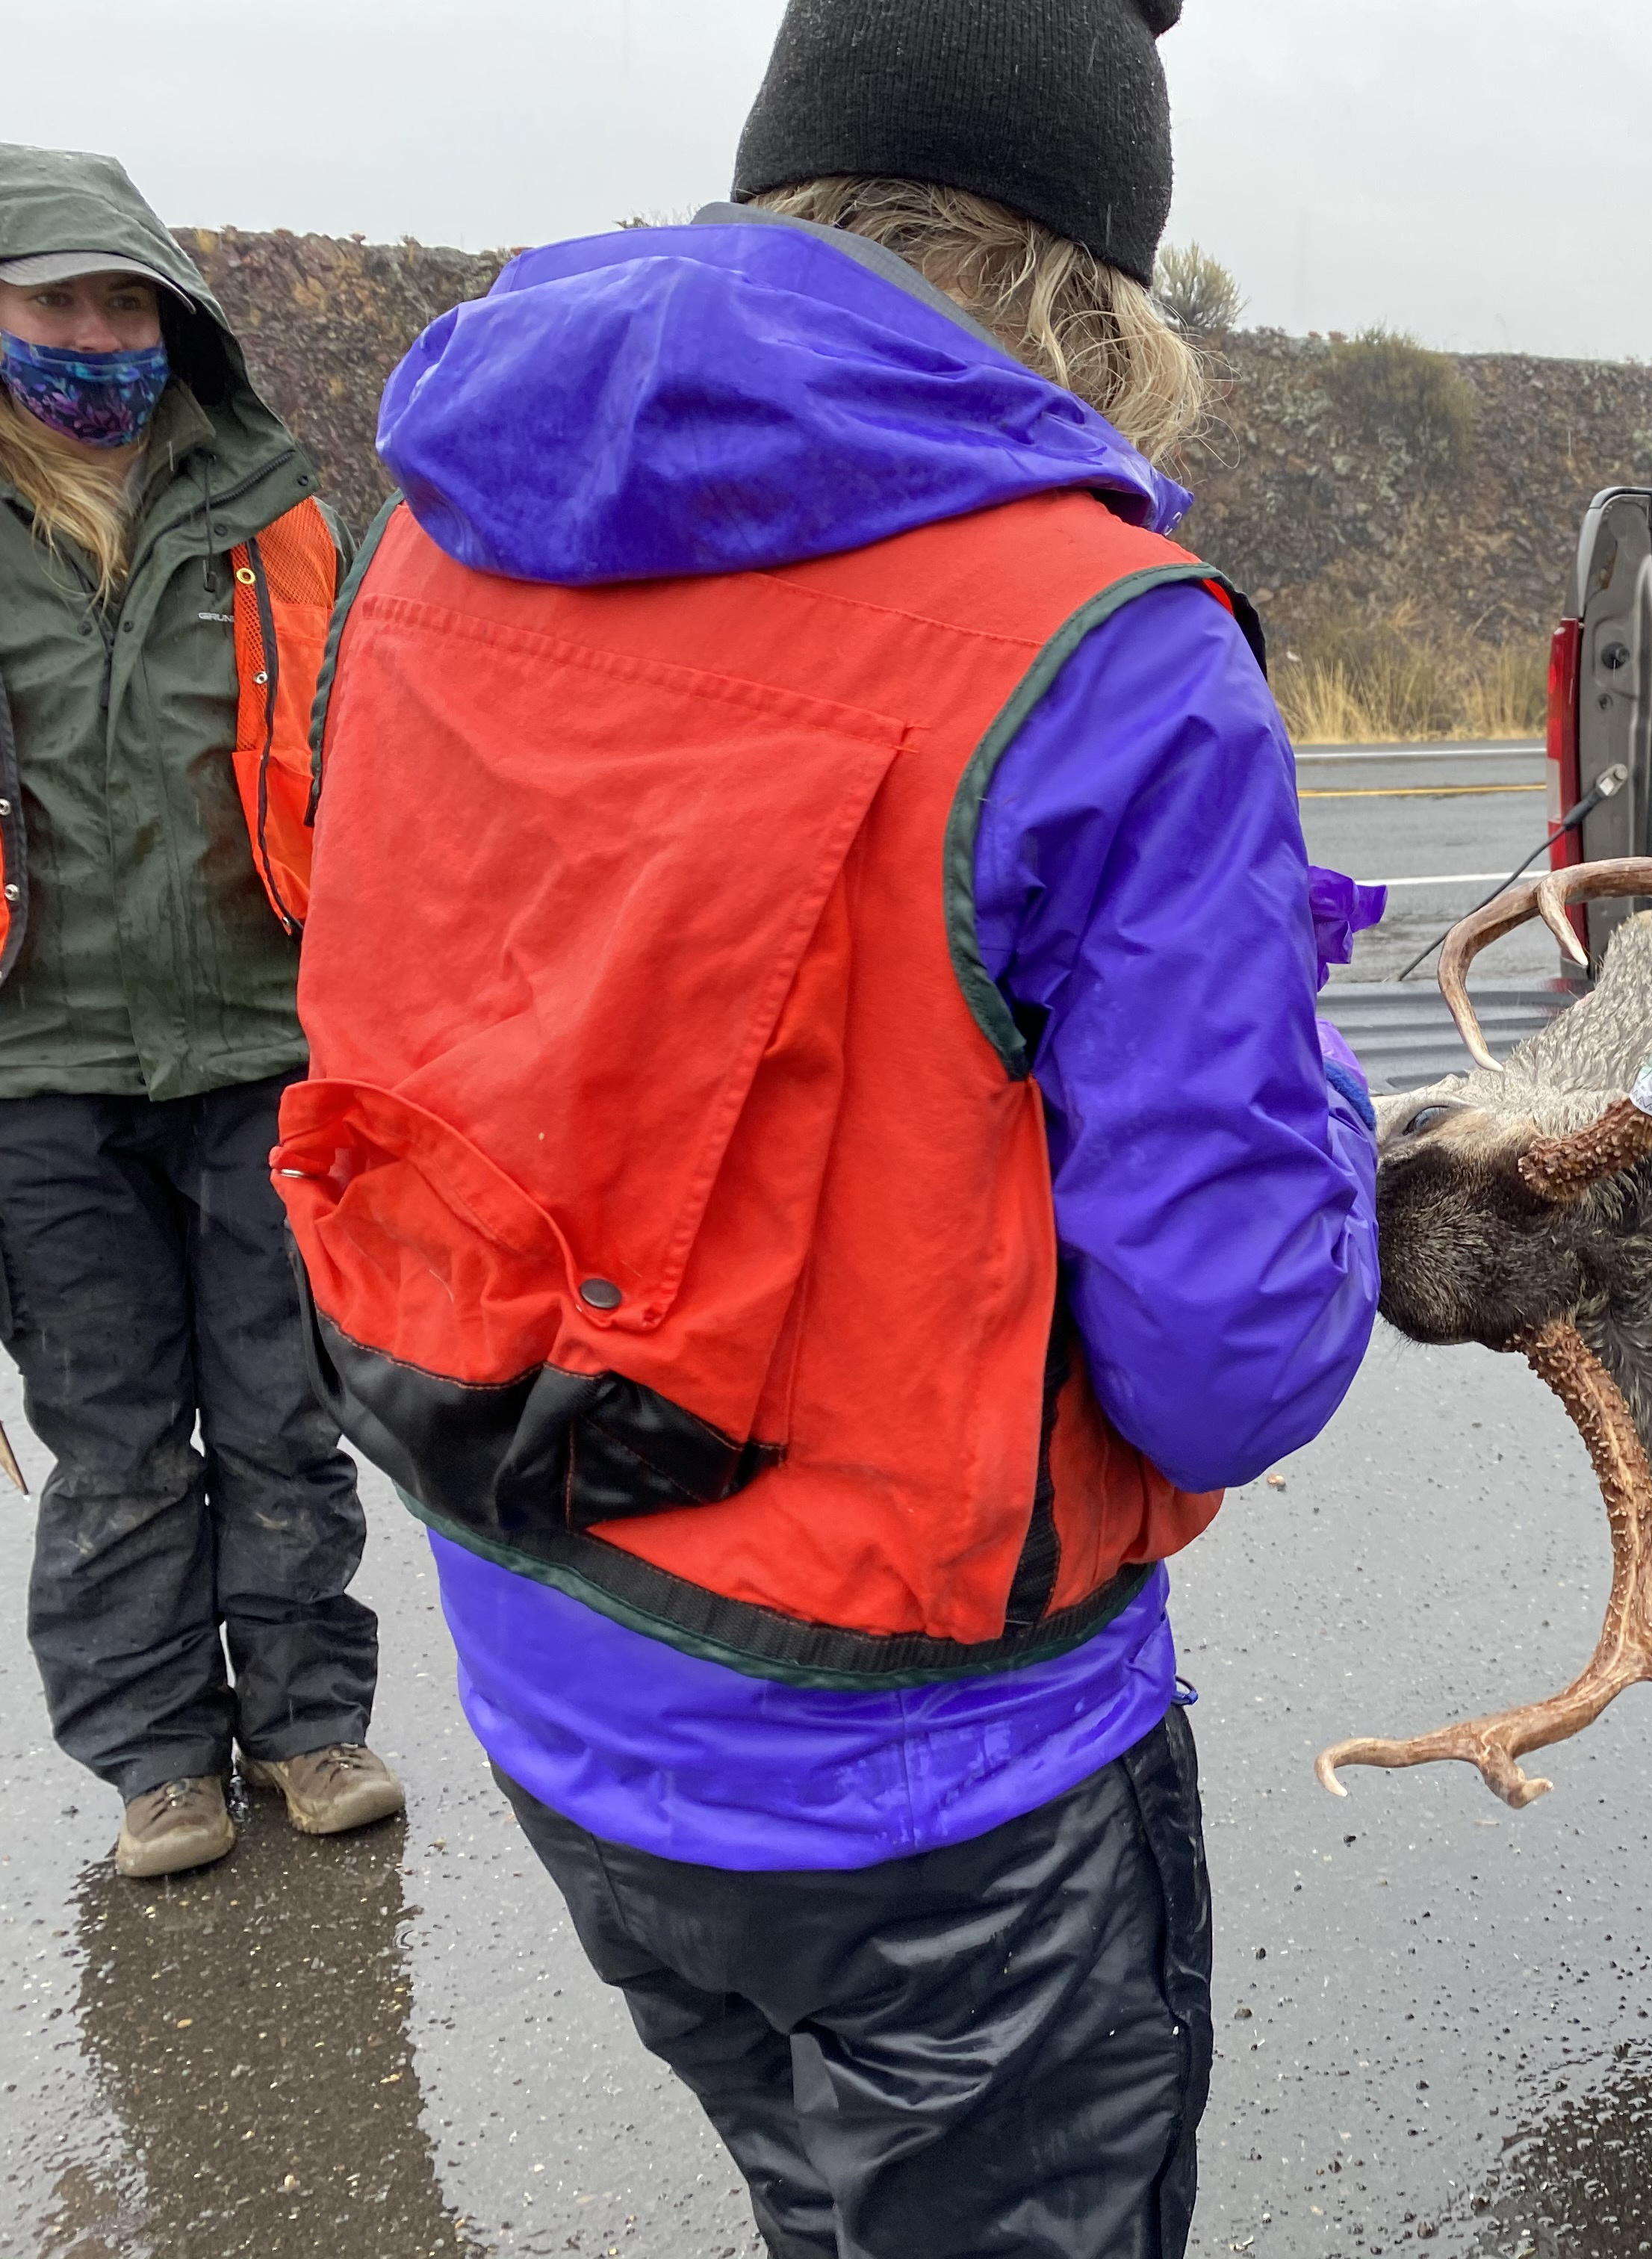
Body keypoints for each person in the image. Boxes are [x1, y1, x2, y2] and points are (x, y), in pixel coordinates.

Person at [284, 1, 1379, 2251]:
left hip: (550, 1653)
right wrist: (1321, 1116)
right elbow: (1233, 1355)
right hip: (926, 1783)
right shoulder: (1105, 642)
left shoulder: (435, 530)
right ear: (1090, 284)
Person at [0, 146, 401, 1880]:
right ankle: (159, 1761)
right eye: (57, 301)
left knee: (280, 1415)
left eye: (126, 301)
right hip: (37, 1071)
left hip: (259, 1048)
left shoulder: (282, 512)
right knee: (110, 1443)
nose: (98, 334)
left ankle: (310, 1728)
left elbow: (379, 773)